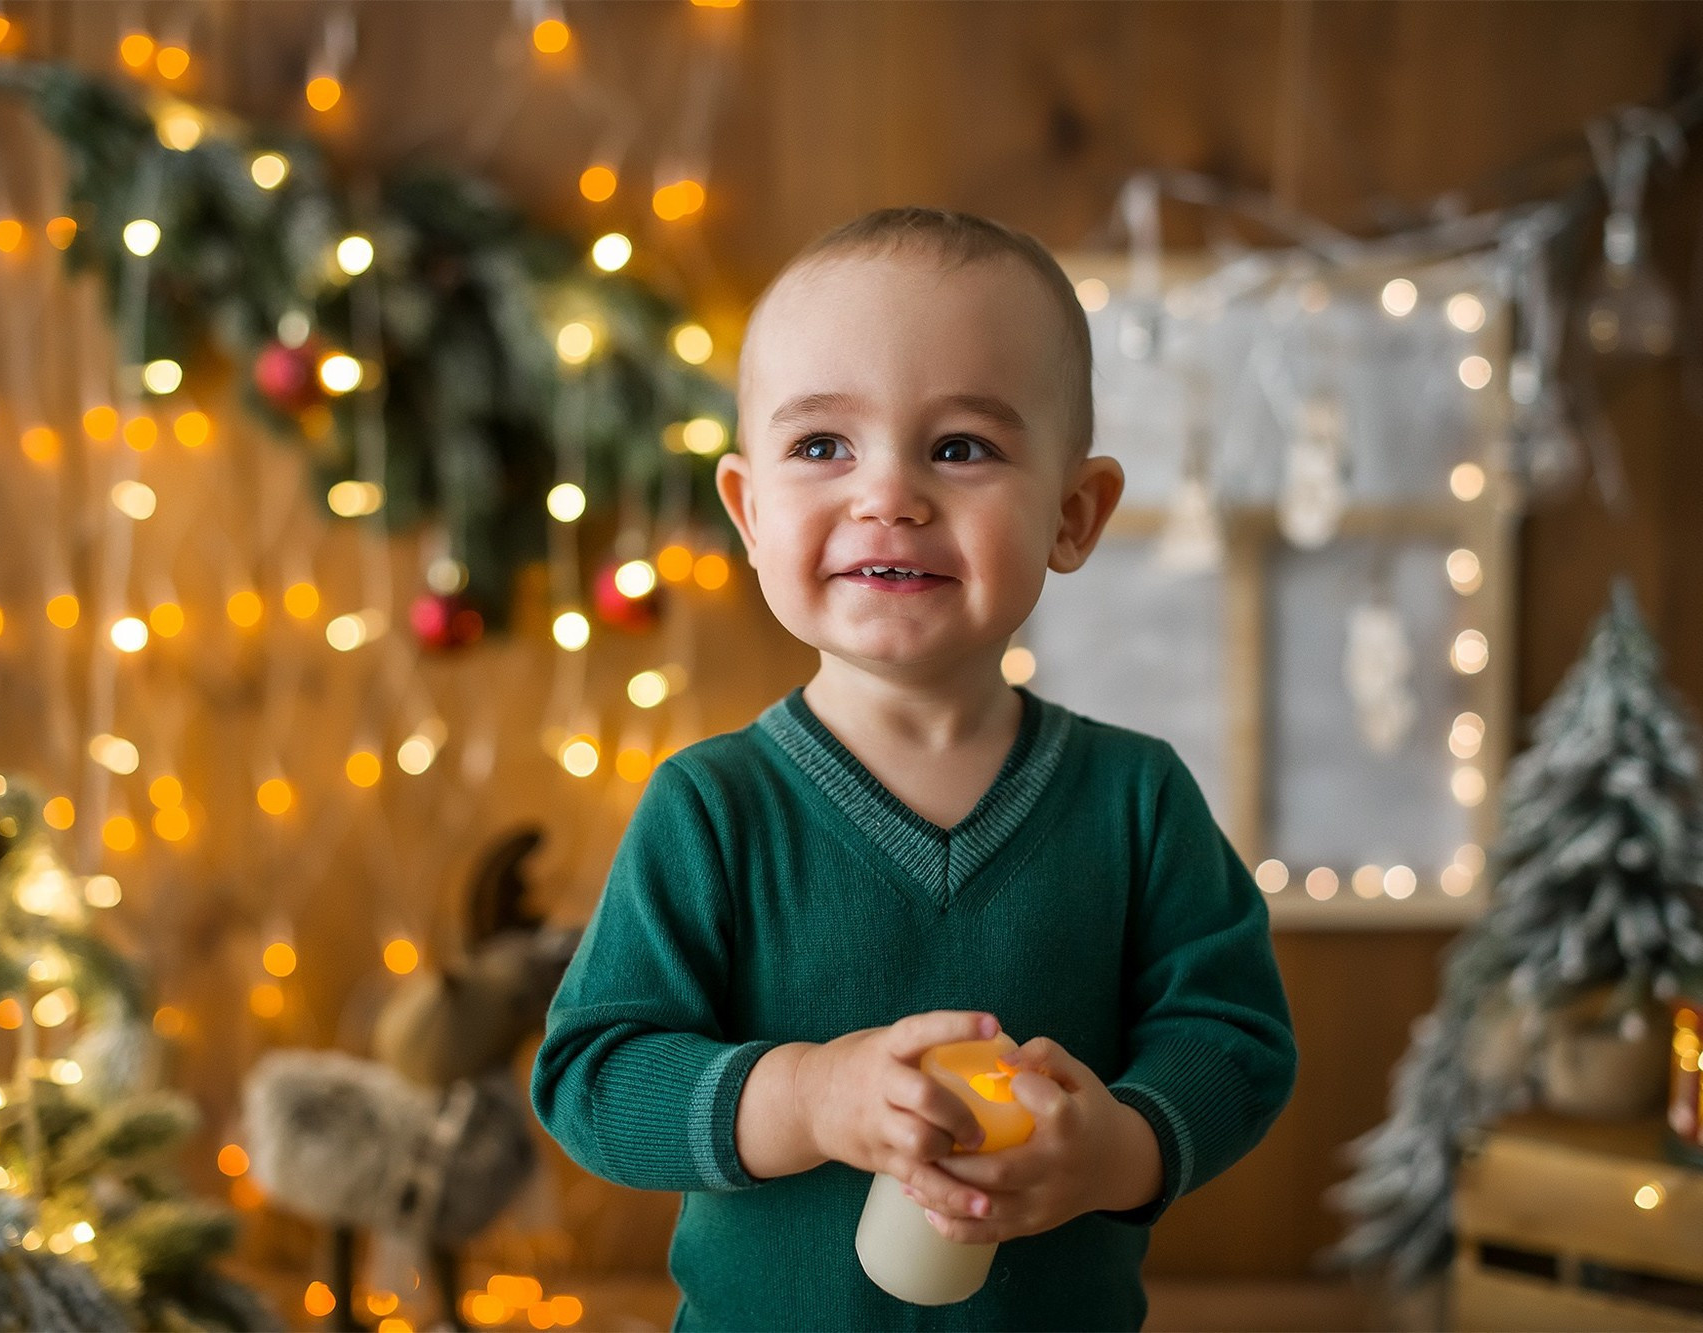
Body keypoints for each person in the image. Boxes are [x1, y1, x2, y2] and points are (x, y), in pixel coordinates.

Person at [531, 207, 1296, 1331]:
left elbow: (1231, 1043)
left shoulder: (1135, 801)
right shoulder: (712, 807)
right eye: (821, 447)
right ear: (747, 512)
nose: (887, 496)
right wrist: (809, 1097)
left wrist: (1113, 1151)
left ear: (1072, 515)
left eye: (960, 447)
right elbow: (593, 1077)